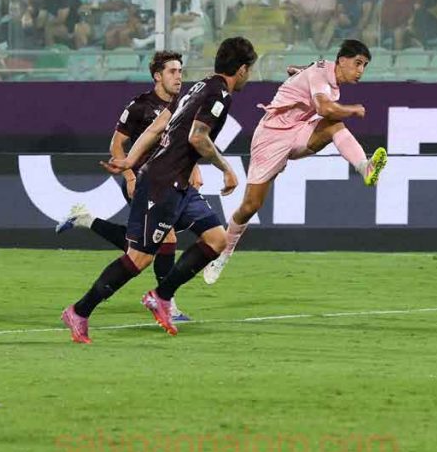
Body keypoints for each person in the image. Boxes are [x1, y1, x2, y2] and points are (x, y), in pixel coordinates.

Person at [61, 38, 258, 344]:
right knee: (139, 259)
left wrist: (130, 160)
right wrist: (226, 168)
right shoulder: (218, 94)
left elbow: (158, 127)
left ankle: (162, 296)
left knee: (217, 239)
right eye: (250, 70)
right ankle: (79, 311)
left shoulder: (197, 88)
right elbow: (198, 137)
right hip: (162, 182)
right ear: (242, 69)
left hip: (180, 184)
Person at [202, 40, 387, 286]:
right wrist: (352, 110)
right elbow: (323, 107)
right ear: (342, 60)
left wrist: (297, 72)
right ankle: (223, 253)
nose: (361, 70)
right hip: (271, 137)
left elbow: (311, 75)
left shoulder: (325, 73)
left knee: (333, 125)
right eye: (358, 63)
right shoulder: (322, 74)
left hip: (298, 131)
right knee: (250, 205)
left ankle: (365, 167)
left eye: (364, 65)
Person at [55, 53, 194, 322]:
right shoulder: (140, 106)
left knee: (143, 248)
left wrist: (193, 169)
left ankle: (86, 219)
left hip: (169, 183)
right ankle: (167, 304)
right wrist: (130, 177)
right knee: (165, 238)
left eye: (180, 71)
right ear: (157, 76)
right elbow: (116, 145)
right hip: (143, 182)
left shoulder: (183, 105)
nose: (179, 76)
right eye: (172, 71)